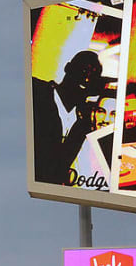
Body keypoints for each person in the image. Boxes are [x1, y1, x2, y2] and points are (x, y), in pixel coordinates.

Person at [31, 50, 106, 185]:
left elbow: (60, 166)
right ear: (68, 68)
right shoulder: (37, 92)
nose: (87, 78)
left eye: (93, 76)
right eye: (84, 70)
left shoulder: (84, 120)